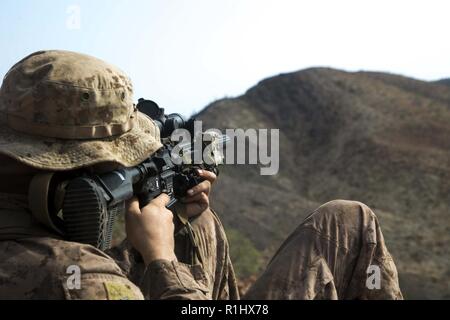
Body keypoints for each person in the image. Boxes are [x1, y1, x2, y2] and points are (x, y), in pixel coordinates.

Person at [0, 50, 403, 300]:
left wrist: (170, 224)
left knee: (199, 223)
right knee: (349, 219)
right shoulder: (83, 281)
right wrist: (159, 259)